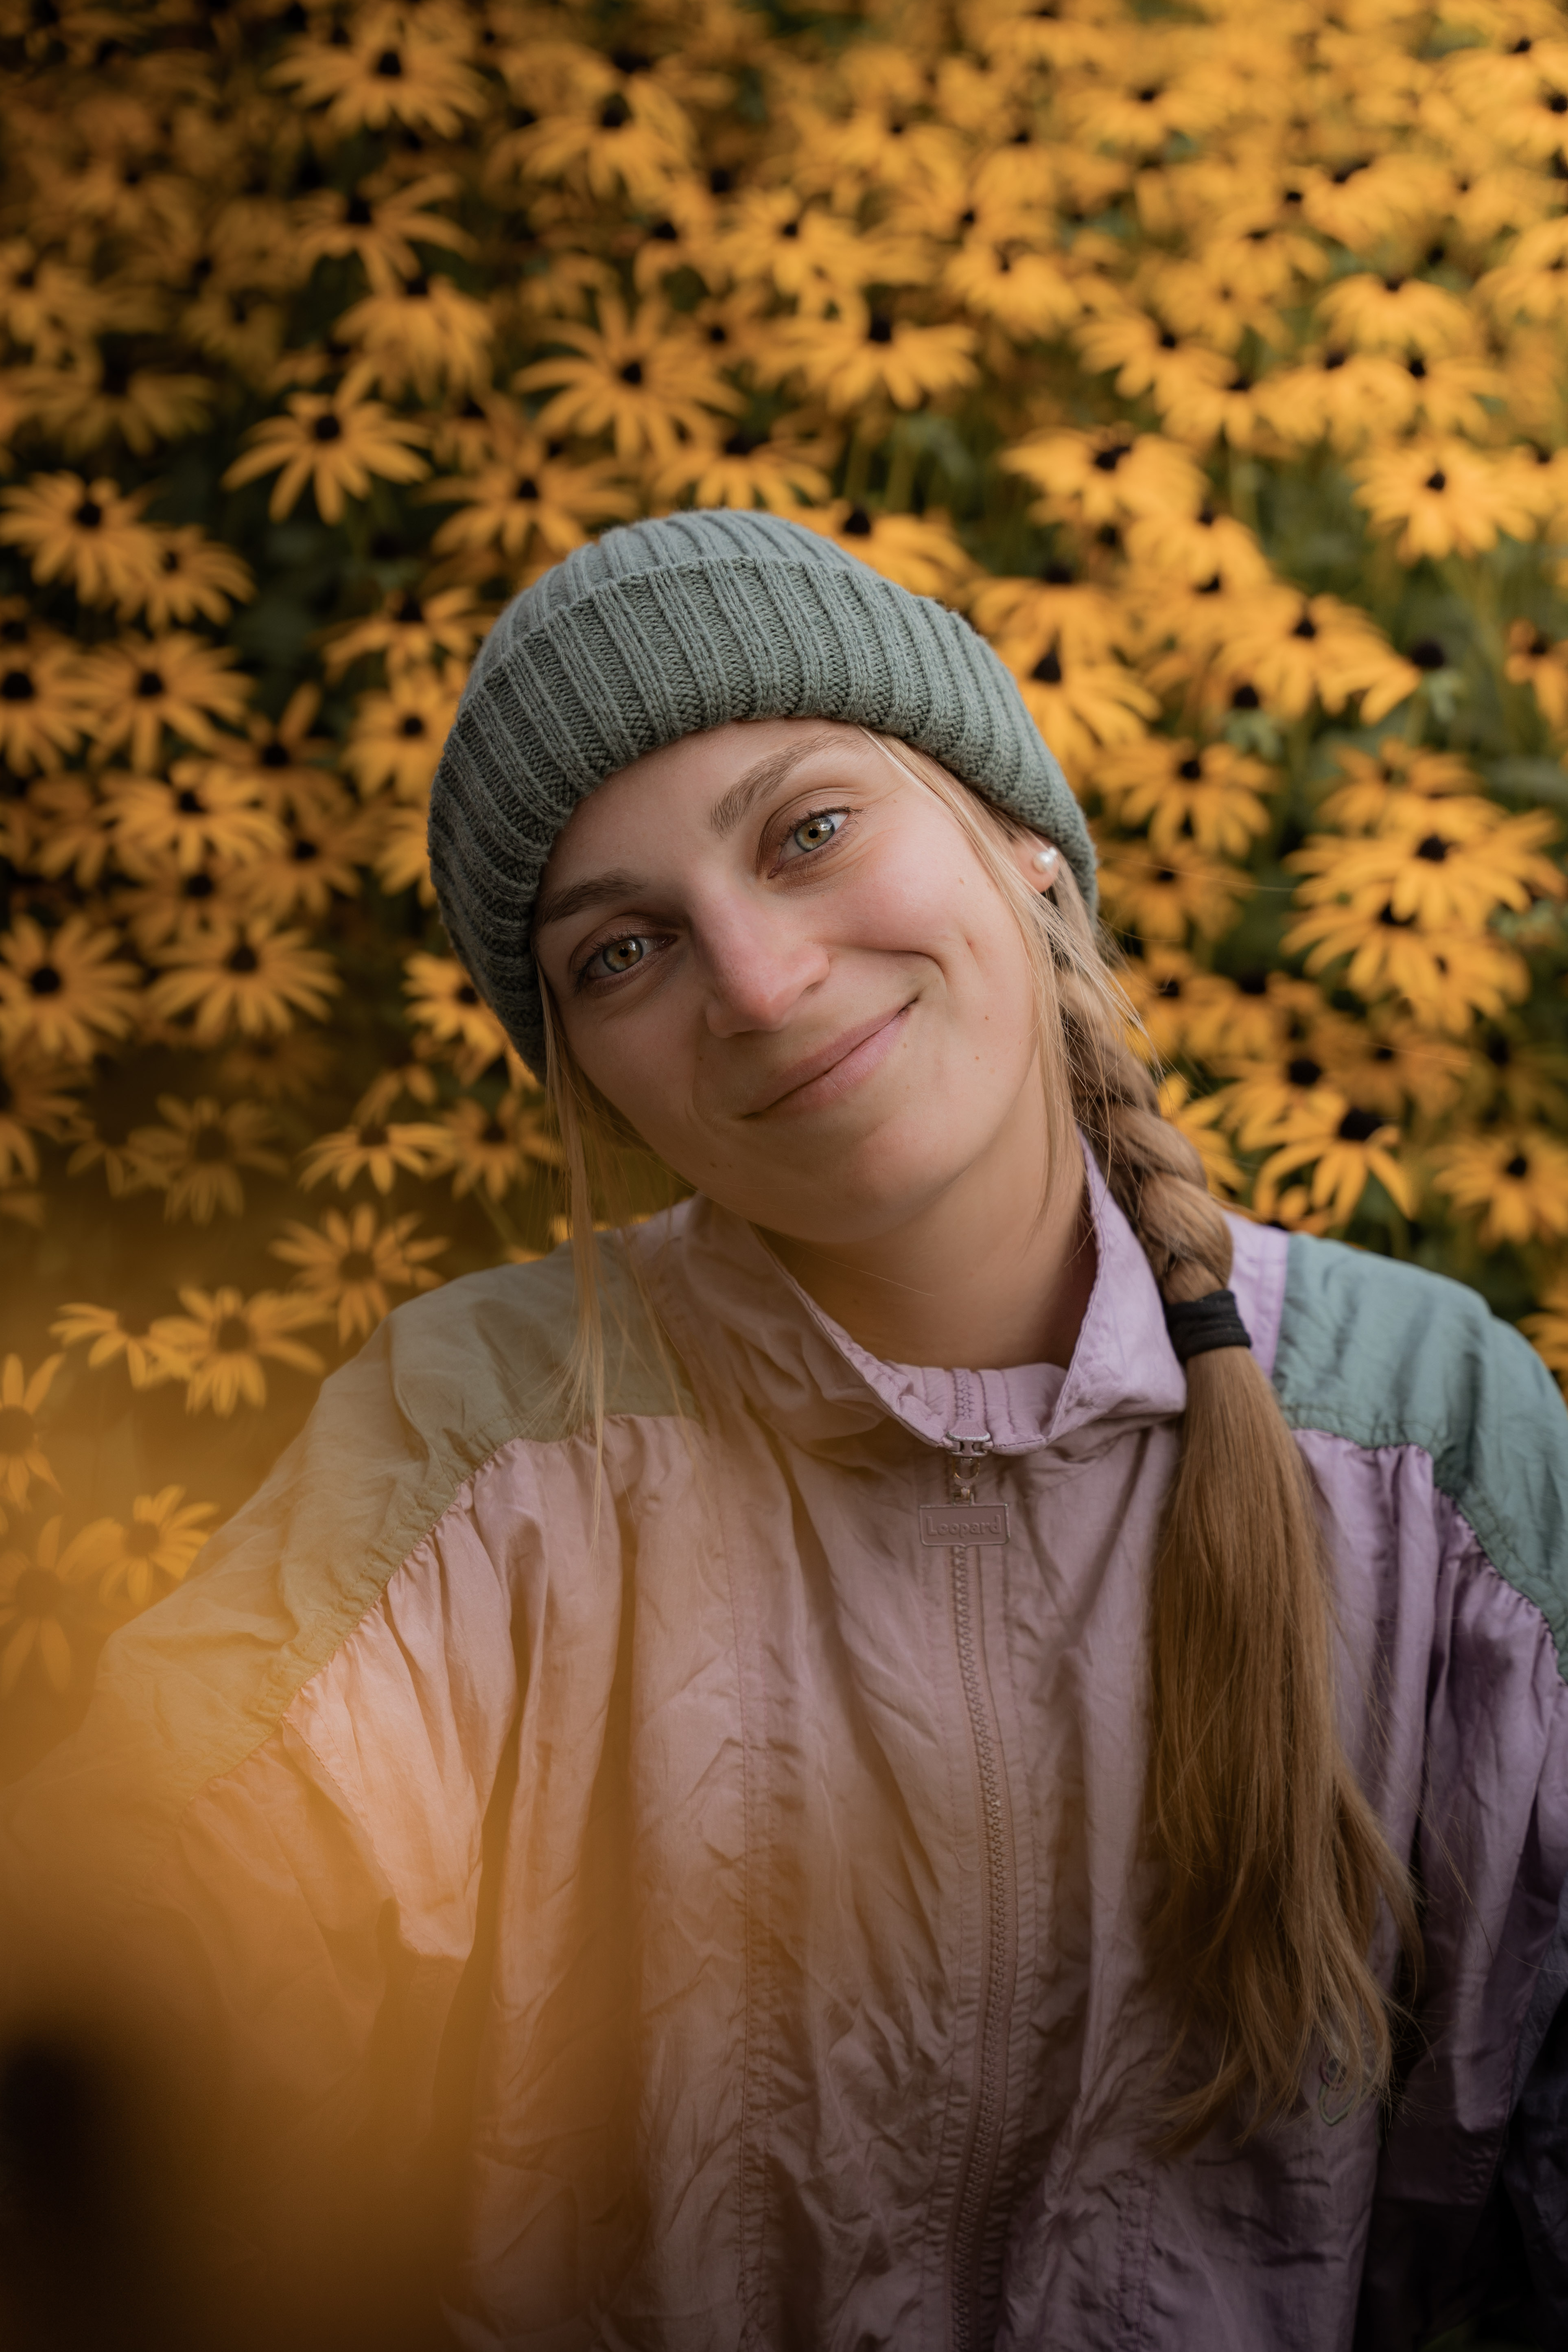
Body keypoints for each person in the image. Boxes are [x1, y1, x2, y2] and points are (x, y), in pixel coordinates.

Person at [3, 510, 1566, 2352]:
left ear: (1022, 840)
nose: (755, 981)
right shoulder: (477, 1437)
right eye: (623, 952)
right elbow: (157, 1914)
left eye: (809, 830)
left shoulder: (1429, 1434)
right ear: (590, 1076)